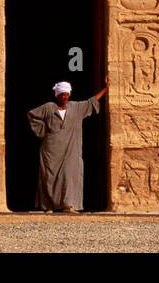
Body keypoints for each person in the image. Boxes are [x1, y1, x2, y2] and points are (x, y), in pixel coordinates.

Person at [28, 77, 108, 213]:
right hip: (51, 150)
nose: (64, 97)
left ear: (69, 95)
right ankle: (49, 205)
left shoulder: (76, 108)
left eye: (66, 94)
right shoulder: (49, 108)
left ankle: (68, 205)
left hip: (71, 149)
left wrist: (106, 88)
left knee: (70, 175)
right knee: (49, 177)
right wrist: (43, 131)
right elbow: (32, 115)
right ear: (57, 95)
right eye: (61, 94)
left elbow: (91, 102)